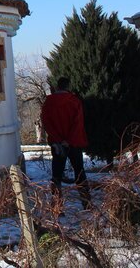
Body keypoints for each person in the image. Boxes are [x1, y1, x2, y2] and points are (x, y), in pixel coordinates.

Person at [40, 76, 91, 210]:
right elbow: (77, 123)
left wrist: (58, 139)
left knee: (56, 175)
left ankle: (57, 207)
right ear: (68, 87)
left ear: (57, 87)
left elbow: (46, 123)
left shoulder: (49, 103)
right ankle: (86, 203)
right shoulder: (74, 101)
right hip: (74, 143)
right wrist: (68, 141)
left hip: (57, 144)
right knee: (79, 172)